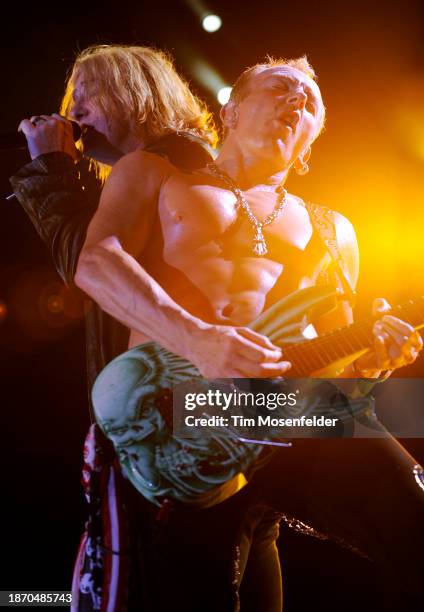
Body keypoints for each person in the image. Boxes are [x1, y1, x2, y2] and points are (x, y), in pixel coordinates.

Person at [74, 55, 424, 611]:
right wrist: (199, 340)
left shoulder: (336, 230)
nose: (297, 102)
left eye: (311, 105)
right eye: (281, 89)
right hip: (189, 413)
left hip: (294, 410)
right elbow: (95, 262)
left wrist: (374, 361)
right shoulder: (159, 174)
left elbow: (341, 373)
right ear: (231, 111)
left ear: (309, 144)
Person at [10, 44, 217, 611]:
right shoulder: (163, 167)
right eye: (71, 95)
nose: (74, 109)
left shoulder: (170, 166)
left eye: (89, 92)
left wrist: (50, 169)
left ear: (138, 95)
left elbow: (90, 264)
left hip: (176, 425)